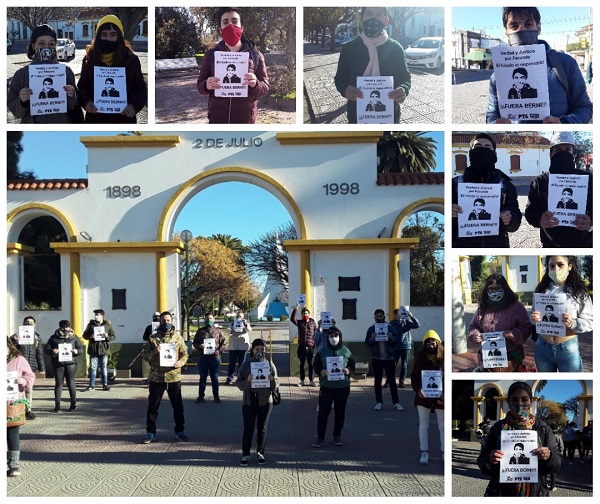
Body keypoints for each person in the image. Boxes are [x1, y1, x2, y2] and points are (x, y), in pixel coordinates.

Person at [487, 7, 592, 124]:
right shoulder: (498, 74)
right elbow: (492, 114)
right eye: (514, 26)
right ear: (505, 31)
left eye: (528, 24)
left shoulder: (565, 63)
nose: (521, 30)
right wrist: (494, 124)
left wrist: (564, 123)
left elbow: (584, 107)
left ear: (538, 27)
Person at [478, 381, 561, 496]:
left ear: (531, 402)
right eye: (514, 400)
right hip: (502, 493)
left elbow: (557, 464)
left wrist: (549, 456)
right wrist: (489, 460)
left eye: (524, 399)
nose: (520, 404)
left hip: (535, 493)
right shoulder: (497, 428)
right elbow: (482, 463)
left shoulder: (542, 428)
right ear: (508, 402)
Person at [334, 7, 411, 124]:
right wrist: (344, 89)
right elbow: (340, 78)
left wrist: (404, 89)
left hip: (390, 116)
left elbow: (405, 78)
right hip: (357, 115)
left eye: (379, 14)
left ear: (386, 20)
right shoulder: (349, 48)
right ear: (361, 18)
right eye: (369, 14)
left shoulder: (396, 48)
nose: (373, 18)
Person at [197, 7, 270, 124]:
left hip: (245, 122)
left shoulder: (256, 56)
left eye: (235, 21)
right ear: (220, 29)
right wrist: (206, 85)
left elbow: (265, 88)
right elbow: (200, 86)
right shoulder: (211, 55)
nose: (230, 25)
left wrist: (256, 84)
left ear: (241, 27)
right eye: (225, 22)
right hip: (217, 121)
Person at [452, 133, 522, 247]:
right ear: (470, 153)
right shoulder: (454, 184)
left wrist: (510, 219)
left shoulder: (506, 185)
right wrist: (450, 214)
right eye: (478, 147)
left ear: (494, 154)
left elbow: (516, 221)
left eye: (487, 147)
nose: (482, 150)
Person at [525, 132, 592, 247]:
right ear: (550, 154)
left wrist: (590, 221)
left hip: (583, 243)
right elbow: (530, 212)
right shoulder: (540, 181)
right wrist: (539, 220)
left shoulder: (587, 178)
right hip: (550, 244)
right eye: (558, 151)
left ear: (573, 153)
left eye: (567, 149)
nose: (563, 154)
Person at [77, 14, 147, 123]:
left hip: (123, 118)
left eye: (113, 34)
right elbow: (82, 87)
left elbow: (140, 89)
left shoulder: (131, 60)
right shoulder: (89, 59)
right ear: (98, 36)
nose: (108, 39)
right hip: (96, 119)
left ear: (119, 36)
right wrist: (86, 102)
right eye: (104, 35)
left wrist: (134, 106)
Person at [532, 255, 593, 372]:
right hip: (542, 347)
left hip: (567, 348)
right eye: (551, 266)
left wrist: (573, 323)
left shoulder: (579, 293)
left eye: (560, 265)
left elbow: (590, 321)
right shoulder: (541, 291)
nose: (556, 269)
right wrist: (533, 318)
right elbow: (534, 315)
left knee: (573, 382)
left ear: (570, 266)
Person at [7, 24, 77, 123]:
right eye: (41, 43)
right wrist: (21, 101)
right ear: (33, 46)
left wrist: (72, 95)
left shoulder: (66, 72)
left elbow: (75, 104)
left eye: (51, 44)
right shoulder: (21, 75)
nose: (46, 48)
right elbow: (14, 109)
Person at [468, 274, 533, 372]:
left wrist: (513, 334)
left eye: (498, 288)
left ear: (505, 289)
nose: (494, 292)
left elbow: (526, 327)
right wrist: (474, 335)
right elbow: (473, 326)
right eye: (491, 289)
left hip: (510, 359)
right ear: (487, 291)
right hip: (486, 357)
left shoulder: (516, 306)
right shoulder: (483, 307)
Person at [141, 311, 188, 444]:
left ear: (172, 321)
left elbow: (185, 354)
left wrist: (181, 362)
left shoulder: (178, 338)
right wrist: (154, 352)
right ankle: (150, 432)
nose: (166, 323)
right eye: (163, 321)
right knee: (153, 406)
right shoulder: (153, 338)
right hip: (157, 377)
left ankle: (180, 431)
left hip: (173, 377)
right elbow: (144, 356)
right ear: (160, 322)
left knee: (178, 406)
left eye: (168, 320)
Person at [236, 338, 279, 466]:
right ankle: (246, 454)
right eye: (257, 349)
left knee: (262, 428)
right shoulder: (246, 365)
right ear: (252, 350)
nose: (259, 351)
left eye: (262, 349)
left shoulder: (270, 365)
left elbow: (276, 385)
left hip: (265, 402)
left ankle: (260, 452)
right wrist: (248, 381)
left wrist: (272, 380)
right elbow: (239, 383)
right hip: (249, 402)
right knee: (248, 428)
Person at [312, 327, 355, 448]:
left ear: (340, 336)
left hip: (342, 387)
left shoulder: (346, 351)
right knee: (323, 413)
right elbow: (316, 365)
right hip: (326, 387)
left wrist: (349, 370)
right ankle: (320, 437)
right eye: (331, 336)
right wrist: (321, 371)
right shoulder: (322, 351)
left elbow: (352, 364)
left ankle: (337, 435)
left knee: (340, 412)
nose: (333, 338)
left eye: (336, 336)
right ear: (328, 337)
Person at [411, 330, 444, 465]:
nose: (430, 345)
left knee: (443, 426)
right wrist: (418, 389)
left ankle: (444, 452)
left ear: (438, 343)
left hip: (441, 398)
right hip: (423, 397)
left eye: (433, 342)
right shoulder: (421, 358)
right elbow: (414, 376)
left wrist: (446, 391)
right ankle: (424, 452)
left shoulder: (444, 359)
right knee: (423, 426)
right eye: (427, 342)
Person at [7, 337, 36, 477]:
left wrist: (23, 381)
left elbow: (30, 376)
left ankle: (14, 465)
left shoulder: (18, 359)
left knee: (12, 434)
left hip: (12, 403)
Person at [365, 308, 403, 411]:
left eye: (381, 316)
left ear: (384, 317)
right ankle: (379, 402)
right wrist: (372, 338)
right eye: (377, 317)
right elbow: (367, 344)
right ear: (374, 318)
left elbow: (397, 342)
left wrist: (392, 338)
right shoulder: (371, 329)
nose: (379, 318)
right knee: (377, 381)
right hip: (377, 358)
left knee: (392, 381)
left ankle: (396, 402)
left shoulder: (390, 328)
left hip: (389, 358)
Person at [10, 316, 46, 419]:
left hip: (31, 366)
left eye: (31, 322)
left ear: (34, 325)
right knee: (18, 389)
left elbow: (39, 354)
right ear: (23, 323)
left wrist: (42, 367)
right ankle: (17, 409)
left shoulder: (37, 338)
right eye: (26, 322)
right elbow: (10, 348)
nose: (29, 324)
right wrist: (15, 340)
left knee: (29, 388)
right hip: (18, 367)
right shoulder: (16, 336)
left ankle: (28, 410)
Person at [44, 320, 83, 412]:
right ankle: (57, 406)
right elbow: (46, 349)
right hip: (58, 363)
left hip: (71, 363)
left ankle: (73, 404)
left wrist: (77, 351)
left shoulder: (74, 337)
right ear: (60, 327)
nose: (65, 329)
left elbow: (80, 348)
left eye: (67, 327)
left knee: (71, 383)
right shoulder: (53, 338)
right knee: (59, 384)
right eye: (63, 327)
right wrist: (53, 351)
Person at [193, 313, 226, 403]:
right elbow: (194, 342)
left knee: (214, 378)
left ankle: (216, 396)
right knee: (202, 378)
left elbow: (223, 343)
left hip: (214, 358)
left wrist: (219, 351)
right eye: (207, 318)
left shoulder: (218, 331)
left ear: (213, 319)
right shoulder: (200, 331)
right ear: (204, 319)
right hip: (203, 358)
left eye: (210, 318)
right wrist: (199, 346)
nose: (209, 320)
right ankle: (200, 397)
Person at [82, 308, 117, 391]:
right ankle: (92, 385)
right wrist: (90, 336)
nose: (96, 316)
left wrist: (107, 336)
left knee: (103, 368)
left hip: (104, 349)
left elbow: (113, 336)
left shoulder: (107, 325)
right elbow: (84, 335)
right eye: (95, 315)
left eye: (98, 314)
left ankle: (105, 384)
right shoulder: (91, 324)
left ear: (102, 316)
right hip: (93, 349)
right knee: (93, 368)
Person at [389, 307, 420, 388]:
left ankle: (401, 381)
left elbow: (417, 325)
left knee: (404, 365)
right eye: (397, 314)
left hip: (405, 346)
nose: (398, 315)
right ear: (395, 315)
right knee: (392, 365)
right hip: (395, 347)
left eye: (400, 314)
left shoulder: (406, 322)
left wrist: (411, 316)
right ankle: (389, 381)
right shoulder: (392, 323)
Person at [290, 304, 318, 386]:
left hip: (310, 347)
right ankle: (302, 380)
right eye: (303, 313)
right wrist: (295, 309)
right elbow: (292, 319)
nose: (305, 315)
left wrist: (314, 347)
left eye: (306, 313)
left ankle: (311, 380)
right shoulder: (300, 323)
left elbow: (316, 335)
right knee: (302, 364)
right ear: (302, 315)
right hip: (302, 346)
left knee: (311, 365)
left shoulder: (313, 324)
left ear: (308, 314)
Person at [226, 310, 252, 384]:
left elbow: (249, 330)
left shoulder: (246, 324)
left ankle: (240, 378)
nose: (239, 317)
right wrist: (231, 331)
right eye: (237, 316)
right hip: (233, 347)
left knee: (242, 364)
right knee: (232, 363)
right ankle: (229, 378)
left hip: (243, 347)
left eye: (240, 316)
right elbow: (228, 331)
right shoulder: (232, 324)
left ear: (243, 317)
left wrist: (246, 324)